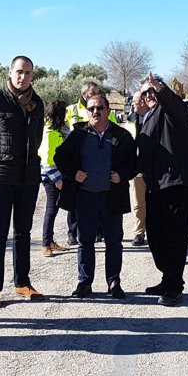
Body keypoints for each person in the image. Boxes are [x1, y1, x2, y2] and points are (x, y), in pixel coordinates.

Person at [0, 55, 45, 308]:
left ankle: (22, 282)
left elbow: (36, 138)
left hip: (28, 177)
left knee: (23, 232)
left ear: (32, 75)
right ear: (10, 72)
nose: (23, 76)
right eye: (19, 71)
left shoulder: (37, 102)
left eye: (27, 72)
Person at [55, 94, 137, 299]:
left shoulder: (121, 135)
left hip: (112, 197)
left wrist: (123, 175)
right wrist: (74, 173)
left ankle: (114, 282)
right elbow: (59, 156)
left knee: (114, 242)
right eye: (91, 108)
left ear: (108, 111)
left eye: (100, 108)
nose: (95, 112)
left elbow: (134, 162)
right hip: (85, 198)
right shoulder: (78, 134)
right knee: (85, 242)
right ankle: (84, 282)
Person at [136, 73, 188, 307]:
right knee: (155, 235)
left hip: (177, 183)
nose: (149, 96)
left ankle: (174, 286)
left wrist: (160, 89)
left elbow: (176, 106)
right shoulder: (147, 116)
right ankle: (167, 278)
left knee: (174, 237)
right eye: (145, 92)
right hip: (156, 184)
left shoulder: (169, 109)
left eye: (152, 91)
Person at [64, 81, 115, 245]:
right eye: (93, 92)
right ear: (84, 94)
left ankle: (98, 231)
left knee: (100, 196)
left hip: (100, 153)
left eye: (97, 92)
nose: (96, 95)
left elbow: (112, 126)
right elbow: (61, 129)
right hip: (76, 156)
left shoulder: (102, 107)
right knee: (75, 200)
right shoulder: (71, 110)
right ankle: (72, 231)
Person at [38, 100, 70, 257]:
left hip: (55, 175)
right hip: (51, 176)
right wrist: (57, 179)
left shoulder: (55, 131)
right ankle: (45, 244)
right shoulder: (49, 133)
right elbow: (46, 160)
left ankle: (50, 241)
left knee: (54, 208)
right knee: (51, 209)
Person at [123, 90, 149, 246]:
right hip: (137, 168)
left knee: (154, 202)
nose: (133, 104)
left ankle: (155, 232)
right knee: (139, 203)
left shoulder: (158, 117)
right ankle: (139, 233)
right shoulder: (131, 119)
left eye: (135, 101)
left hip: (155, 168)